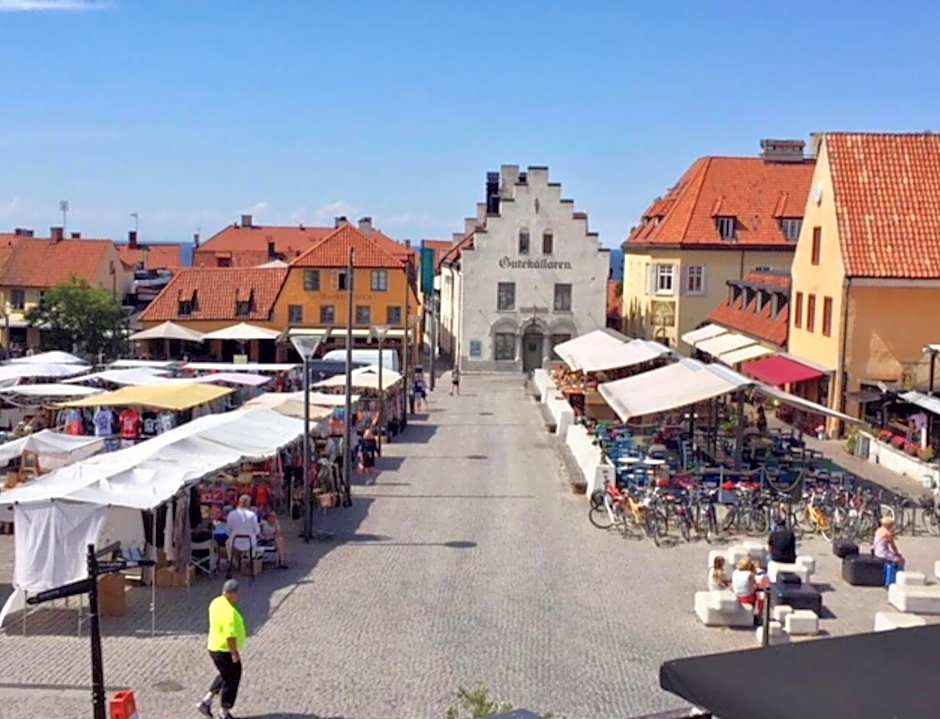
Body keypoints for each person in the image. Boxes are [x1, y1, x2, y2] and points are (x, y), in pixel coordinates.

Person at [198, 579, 247, 719]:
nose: (238, 596)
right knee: (232, 678)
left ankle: (206, 702)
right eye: (237, 594)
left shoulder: (216, 602)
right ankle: (224, 711)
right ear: (231, 593)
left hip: (213, 646)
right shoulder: (229, 612)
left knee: (225, 674)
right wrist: (234, 653)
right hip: (224, 650)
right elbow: (230, 636)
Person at [225, 495, 260, 577]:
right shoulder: (252, 515)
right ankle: (250, 561)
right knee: (254, 541)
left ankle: (230, 560)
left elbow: (228, 530)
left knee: (227, 542)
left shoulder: (231, 514)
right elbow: (257, 531)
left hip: (235, 541)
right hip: (249, 542)